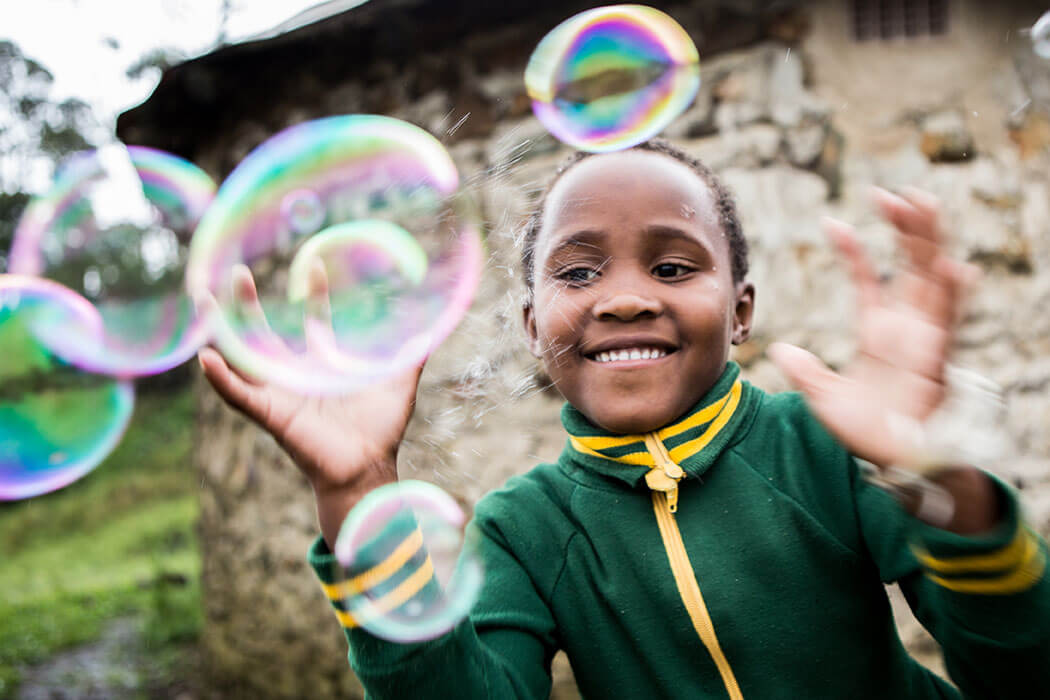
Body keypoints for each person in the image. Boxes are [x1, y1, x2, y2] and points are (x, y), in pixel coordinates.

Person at [198, 139, 1050, 698]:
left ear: (741, 311)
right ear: (533, 329)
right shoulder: (525, 530)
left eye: (675, 266)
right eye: (576, 274)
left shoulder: (821, 450)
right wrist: (356, 494)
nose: (628, 297)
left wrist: (938, 479)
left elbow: (1022, 671)